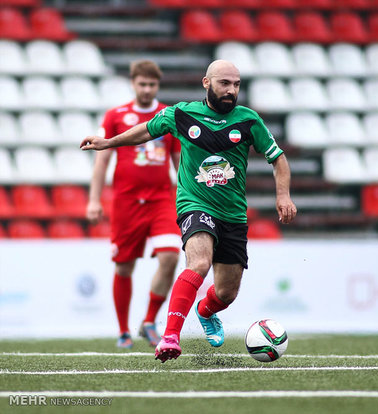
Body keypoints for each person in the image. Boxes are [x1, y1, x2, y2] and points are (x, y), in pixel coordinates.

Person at [81, 60, 297, 363]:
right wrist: (109, 143)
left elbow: (278, 158)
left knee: (226, 293)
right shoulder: (182, 114)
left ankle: (206, 311)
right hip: (195, 204)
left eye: (236, 85)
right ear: (206, 83)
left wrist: (283, 195)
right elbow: (145, 131)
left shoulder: (248, 120)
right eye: (224, 83)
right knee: (198, 263)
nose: (231, 90)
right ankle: (170, 335)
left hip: (233, 213)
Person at [86, 60, 181, 349]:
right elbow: (101, 160)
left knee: (170, 257)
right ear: (133, 83)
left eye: (152, 84)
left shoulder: (167, 115)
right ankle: (124, 330)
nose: (147, 89)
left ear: (158, 85)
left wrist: (186, 195)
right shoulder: (116, 116)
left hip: (161, 199)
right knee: (124, 267)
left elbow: (178, 160)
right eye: (142, 84)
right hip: (127, 202)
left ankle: (150, 320)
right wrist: (93, 200)